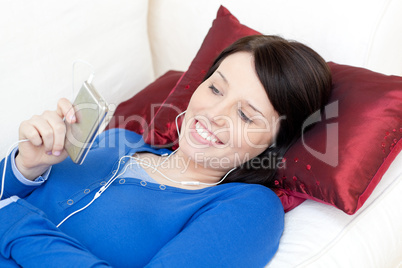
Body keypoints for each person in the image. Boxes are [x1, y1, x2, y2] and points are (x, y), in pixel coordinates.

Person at [0, 35, 332, 267]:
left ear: (273, 143)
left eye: (245, 115)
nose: (213, 114)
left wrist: (14, 221)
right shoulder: (117, 140)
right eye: (215, 88)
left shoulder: (248, 209)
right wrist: (25, 166)